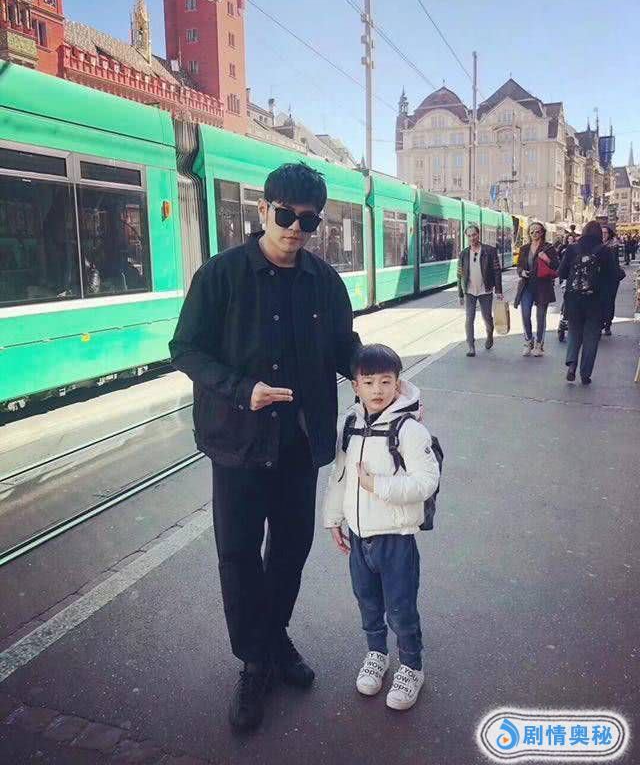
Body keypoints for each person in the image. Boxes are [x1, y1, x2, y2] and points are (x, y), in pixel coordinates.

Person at [170, 163, 361, 732]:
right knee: (238, 554)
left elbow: (343, 347)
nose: (296, 228)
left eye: (309, 220)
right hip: (238, 443)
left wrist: (382, 380)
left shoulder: (325, 282)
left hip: (299, 443)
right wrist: (240, 389)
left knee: (290, 550)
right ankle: (255, 661)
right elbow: (185, 349)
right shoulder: (220, 275)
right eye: (285, 215)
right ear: (262, 210)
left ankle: (273, 638)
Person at [323, 344, 440, 711]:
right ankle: (377, 654)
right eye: (369, 381)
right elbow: (339, 475)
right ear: (355, 386)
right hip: (360, 538)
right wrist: (332, 518)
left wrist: (378, 486)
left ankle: (411, 667)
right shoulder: (349, 424)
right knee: (368, 603)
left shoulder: (409, 430)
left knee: (401, 609)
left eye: (386, 381)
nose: (377, 389)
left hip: (395, 540)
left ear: (398, 383)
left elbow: (427, 482)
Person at [558, 220, 618, 384]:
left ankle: (571, 364)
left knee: (574, 331)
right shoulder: (605, 251)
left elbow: (561, 272)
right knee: (591, 336)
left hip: (573, 299)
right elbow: (613, 277)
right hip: (595, 301)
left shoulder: (572, 249)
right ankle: (585, 373)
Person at [457, 224, 503, 357]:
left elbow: (497, 271)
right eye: (469, 236)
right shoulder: (463, 253)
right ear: (467, 237)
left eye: (474, 235)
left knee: (487, 317)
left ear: (478, 234)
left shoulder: (490, 251)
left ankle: (489, 334)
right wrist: (460, 294)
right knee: (469, 318)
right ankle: (471, 346)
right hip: (469, 291)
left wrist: (498, 290)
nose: (472, 238)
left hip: (485, 290)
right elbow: (459, 274)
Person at [514, 221, 560, 356]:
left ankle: (539, 344)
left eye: (537, 231)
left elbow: (557, 266)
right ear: (529, 233)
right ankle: (528, 340)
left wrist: (546, 259)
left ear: (542, 232)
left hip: (542, 286)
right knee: (525, 314)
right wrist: (521, 272)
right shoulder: (524, 248)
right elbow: (519, 266)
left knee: (540, 317)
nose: (534, 234)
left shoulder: (548, 248)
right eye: (532, 232)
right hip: (527, 285)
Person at [601, 225, 624, 335]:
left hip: (611, 278)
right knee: (600, 301)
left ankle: (608, 324)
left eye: (605, 233)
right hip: (600, 277)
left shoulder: (613, 245)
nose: (603, 235)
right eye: (602, 233)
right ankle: (600, 322)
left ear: (609, 234)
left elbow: (613, 263)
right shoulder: (598, 245)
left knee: (609, 301)